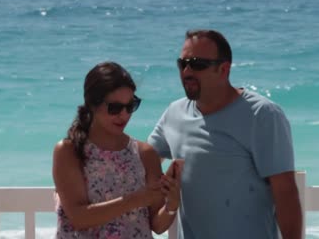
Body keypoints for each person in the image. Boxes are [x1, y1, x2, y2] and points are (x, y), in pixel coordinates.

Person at [147, 30, 303, 239]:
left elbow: (286, 193)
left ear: (223, 69)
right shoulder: (174, 113)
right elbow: (144, 158)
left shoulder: (262, 115)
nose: (187, 71)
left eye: (197, 64)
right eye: (182, 64)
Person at [53, 61, 181, 238]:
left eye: (131, 106)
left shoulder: (145, 154)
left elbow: (157, 226)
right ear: (92, 104)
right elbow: (79, 217)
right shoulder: (69, 151)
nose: (124, 115)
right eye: (115, 108)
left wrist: (171, 206)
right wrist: (136, 200)